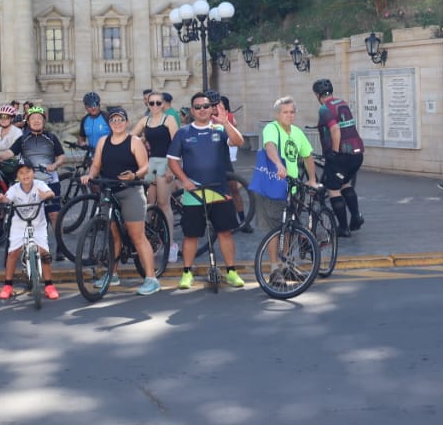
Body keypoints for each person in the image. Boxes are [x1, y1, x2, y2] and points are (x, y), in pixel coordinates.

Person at [167, 92, 246, 290]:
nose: (202, 110)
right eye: (198, 107)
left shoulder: (220, 129)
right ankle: (186, 273)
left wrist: (226, 122)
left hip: (219, 191)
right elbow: (173, 161)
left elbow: (239, 142)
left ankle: (231, 272)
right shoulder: (183, 133)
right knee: (191, 235)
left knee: (225, 233)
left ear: (211, 108)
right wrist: (184, 180)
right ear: (192, 111)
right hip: (193, 193)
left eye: (206, 106)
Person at [81, 106, 161, 294]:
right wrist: (89, 175)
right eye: (113, 120)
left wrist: (133, 175)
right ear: (109, 123)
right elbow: (96, 165)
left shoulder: (134, 141)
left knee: (137, 237)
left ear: (126, 122)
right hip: (109, 191)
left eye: (120, 119)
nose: (117, 123)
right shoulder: (103, 141)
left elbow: (145, 167)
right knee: (113, 236)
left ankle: (151, 278)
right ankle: (112, 274)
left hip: (130, 191)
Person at [0, 106, 69, 259]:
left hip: (50, 181)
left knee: (54, 215)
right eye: (33, 118)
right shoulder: (23, 139)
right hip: (28, 184)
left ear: (44, 121)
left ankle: (60, 247)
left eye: (39, 118)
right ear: (28, 121)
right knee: (29, 217)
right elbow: (11, 152)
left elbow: (61, 156)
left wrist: (55, 165)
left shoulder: (51, 137)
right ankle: (30, 248)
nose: (36, 121)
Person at [256, 96, 318, 264]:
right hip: (273, 186)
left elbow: (307, 156)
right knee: (275, 229)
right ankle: (274, 267)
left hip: (292, 187)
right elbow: (270, 146)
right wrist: (278, 164)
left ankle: (286, 263)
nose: (289, 115)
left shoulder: (297, 132)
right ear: (277, 114)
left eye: (292, 112)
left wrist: (312, 179)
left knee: (290, 227)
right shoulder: (272, 128)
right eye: (285, 112)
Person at [0, 163, 59, 301]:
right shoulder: (14, 188)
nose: (25, 175)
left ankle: (49, 285)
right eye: (21, 173)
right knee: (12, 253)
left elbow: (51, 193)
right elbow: (7, 199)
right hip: (20, 224)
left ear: (33, 173)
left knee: (44, 253)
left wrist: (46, 195)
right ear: (17, 176)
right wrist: (1, 198)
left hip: (38, 223)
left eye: (28, 171)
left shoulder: (39, 184)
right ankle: (7, 285)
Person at [313, 79, 365, 235]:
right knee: (345, 184)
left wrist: (334, 153)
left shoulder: (324, 109)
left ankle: (343, 228)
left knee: (333, 190)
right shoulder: (342, 103)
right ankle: (355, 217)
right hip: (357, 153)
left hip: (342, 155)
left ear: (317, 95)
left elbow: (335, 129)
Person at [134, 90, 180, 264]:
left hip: (165, 163)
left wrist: (171, 168)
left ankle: (171, 244)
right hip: (151, 164)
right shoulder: (145, 121)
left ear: (163, 104)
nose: (154, 106)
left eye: (157, 103)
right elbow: (131, 137)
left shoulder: (168, 120)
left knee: (163, 204)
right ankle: (153, 241)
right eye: (151, 103)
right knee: (149, 205)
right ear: (147, 104)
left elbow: (176, 143)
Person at [0, 104, 24, 186]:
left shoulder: (17, 132)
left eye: (6, 117)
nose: (3, 119)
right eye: (1, 116)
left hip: (11, 165)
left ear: (12, 118)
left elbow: (14, 151)